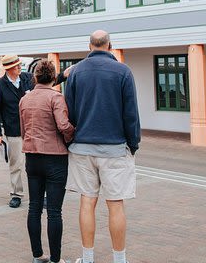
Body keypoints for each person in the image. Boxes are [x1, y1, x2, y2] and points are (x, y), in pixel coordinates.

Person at [64, 31, 140, 263]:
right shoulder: (123, 72)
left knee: (87, 202)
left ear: (89, 46)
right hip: (115, 148)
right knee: (115, 205)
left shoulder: (76, 72)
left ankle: (87, 258)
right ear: (110, 46)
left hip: (82, 148)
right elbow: (131, 114)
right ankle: (120, 259)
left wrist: (72, 140)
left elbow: (70, 111)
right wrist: (132, 143)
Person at [0, 55, 70, 208]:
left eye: (20, 65)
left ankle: (46, 194)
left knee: (42, 163)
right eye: (16, 66)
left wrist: (63, 76)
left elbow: (47, 83)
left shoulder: (28, 78)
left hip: (34, 129)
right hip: (13, 130)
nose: (20, 68)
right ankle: (16, 194)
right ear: (8, 69)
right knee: (16, 165)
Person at [20, 59, 75, 263]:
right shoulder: (56, 98)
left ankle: (37, 255)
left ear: (35, 77)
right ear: (53, 77)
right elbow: (63, 125)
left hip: (31, 157)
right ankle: (56, 259)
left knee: (34, 207)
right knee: (54, 211)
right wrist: (71, 136)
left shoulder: (24, 100)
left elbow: (23, 130)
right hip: (55, 159)